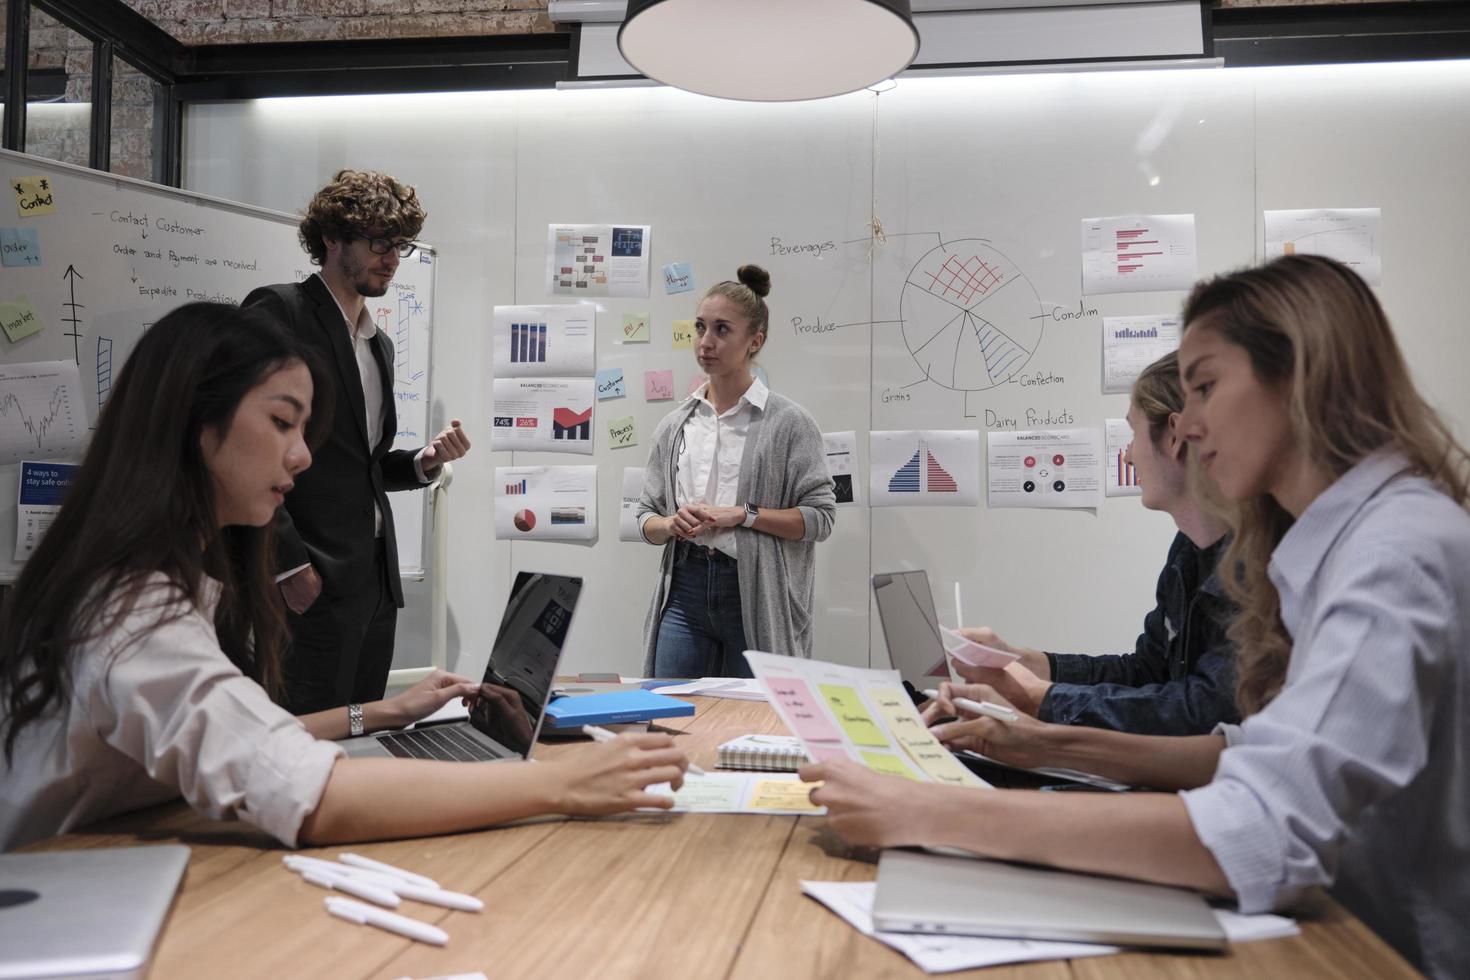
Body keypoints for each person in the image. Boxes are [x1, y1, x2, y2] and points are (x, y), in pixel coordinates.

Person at [802, 256, 1470, 979]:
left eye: (1207, 386)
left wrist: (925, 814)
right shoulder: (1337, 545)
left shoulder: (1393, 553)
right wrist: (1043, 743)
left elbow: (1265, 832)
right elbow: (1244, 751)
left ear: (1300, 373)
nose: (1190, 424)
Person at [0, 303, 686, 852]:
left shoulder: (174, 576)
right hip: (56, 896)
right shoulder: (132, 610)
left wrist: (384, 713)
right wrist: (558, 787)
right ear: (194, 424)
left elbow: (248, 734)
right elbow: (310, 798)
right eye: (280, 423)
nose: (300, 457)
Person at [243, 169, 472, 716]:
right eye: (378, 242)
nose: (392, 258)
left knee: (363, 737)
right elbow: (240, 448)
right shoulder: (280, 311)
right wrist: (287, 564)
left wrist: (421, 461)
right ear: (331, 238)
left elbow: (359, 465)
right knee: (299, 741)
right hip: (307, 579)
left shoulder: (380, 345)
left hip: (373, 583)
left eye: (401, 245)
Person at [938, 351, 1240, 736]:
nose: (1128, 456)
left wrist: (1041, 698)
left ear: (1176, 436)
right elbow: (1148, 671)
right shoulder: (1187, 551)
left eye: (1133, 434)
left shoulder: (1259, 566)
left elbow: (1205, 712)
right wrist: (1027, 662)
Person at [636, 265, 836, 678]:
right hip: (685, 587)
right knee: (668, 716)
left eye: (722, 330)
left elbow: (820, 519)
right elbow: (644, 518)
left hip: (754, 593)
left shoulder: (790, 423)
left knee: (755, 725)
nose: (705, 342)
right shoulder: (676, 424)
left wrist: (742, 514)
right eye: (700, 328)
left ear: (754, 342)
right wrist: (670, 524)